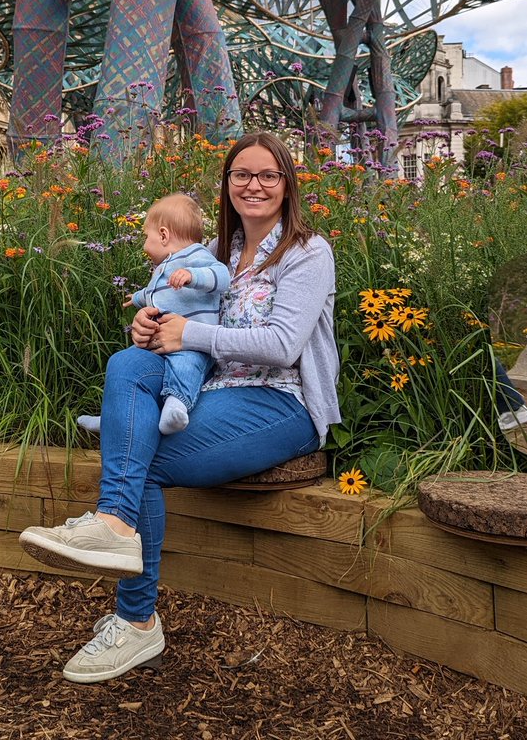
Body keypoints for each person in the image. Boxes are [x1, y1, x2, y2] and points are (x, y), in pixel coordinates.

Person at [19, 132, 341, 684]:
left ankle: (135, 618)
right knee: (126, 362)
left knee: (141, 458)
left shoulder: (307, 252)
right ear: (228, 185)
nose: (254, 185)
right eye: (241, 175)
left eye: (268, 175)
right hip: (208, 391)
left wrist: (189, 333)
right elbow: (175, 318)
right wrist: (148, 327)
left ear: (287, 184)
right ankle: (116, 527)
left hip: (282, 402)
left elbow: (284, 344)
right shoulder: (215, 254)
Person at [78, 193, 231, 436]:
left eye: (145, 237)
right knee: (125, 364)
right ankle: (113, 417)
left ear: (163, 235)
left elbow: (222, 277)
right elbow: (155, 293)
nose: (143, 244)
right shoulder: (164, 267)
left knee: (186, 368)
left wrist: (193, 276)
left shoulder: (196, 255)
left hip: (192, 343)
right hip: (160, 343)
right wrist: (137, 298)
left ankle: (176, 407)